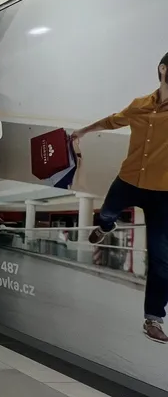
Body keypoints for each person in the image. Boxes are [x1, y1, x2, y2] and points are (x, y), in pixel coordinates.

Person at [72, 52, 168, 343]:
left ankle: (153, 319)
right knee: (106, 213)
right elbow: (113, 121)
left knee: (161, 258)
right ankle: (105, 226)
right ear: (163, 69)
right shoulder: (139, 105)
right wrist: (84, 131)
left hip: (164, 194)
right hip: (128, 181)